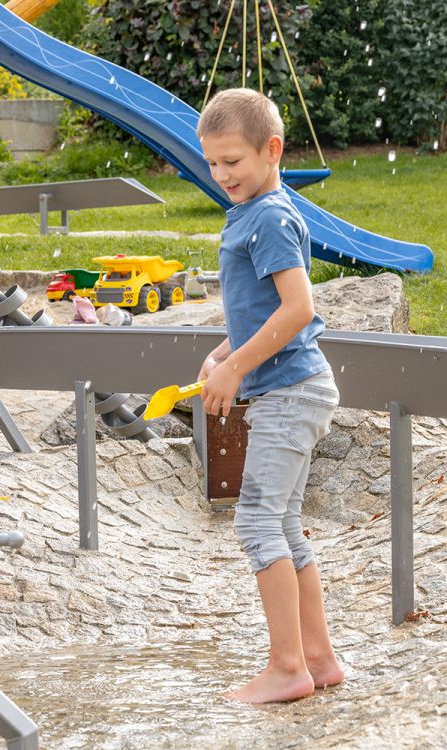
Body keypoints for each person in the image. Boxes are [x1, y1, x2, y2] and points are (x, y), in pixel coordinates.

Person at [196, 88, 345, 703]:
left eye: (232, 161)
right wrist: (225, 357)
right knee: (283, 524)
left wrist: (240, 371)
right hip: (292, 389)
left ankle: (287, 668)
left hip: (290, 393)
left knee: (257, 521)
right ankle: (318, 658)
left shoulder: (272, 218)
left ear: (271, 150)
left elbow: (299, 308)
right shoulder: (255, 212)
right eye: (212, 164)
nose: (221, 175)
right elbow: (261, 313)